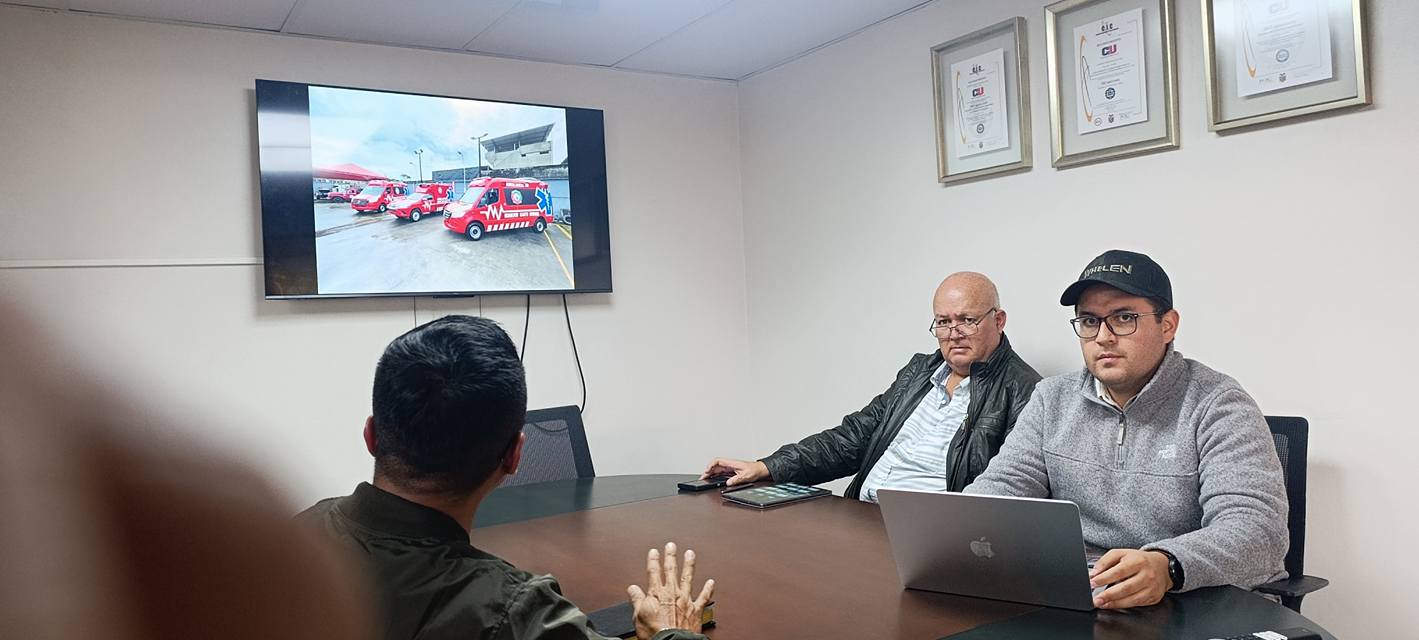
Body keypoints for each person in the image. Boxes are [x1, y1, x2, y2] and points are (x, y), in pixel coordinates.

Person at [298, 316, 713, 640]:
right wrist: (673, 630)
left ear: (371, 435)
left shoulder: (294, 539)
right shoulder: (514, 615)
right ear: (515, 456)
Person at [965, 250, 1288, 610]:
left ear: (1168, 325)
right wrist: (958, 530)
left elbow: (1258, 531)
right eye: (1089, 321)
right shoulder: (1051, 399)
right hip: (1082, 593)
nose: (1103, 337)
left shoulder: (1218, 404)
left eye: (1124, 318)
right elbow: (1001, 489)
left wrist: (1168, 565)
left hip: (1190, 597)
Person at [703, 272, 1041, 502]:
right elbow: (852, 438)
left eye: (967, 320)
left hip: (932, 538)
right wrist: (768, 466)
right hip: (862, 516)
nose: (954, 333)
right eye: (943, 322)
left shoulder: (1026, 393)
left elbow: (1006, 491)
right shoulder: (919, 372)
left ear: (999, 320)